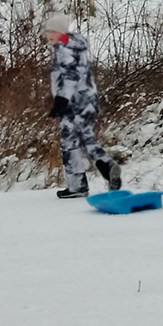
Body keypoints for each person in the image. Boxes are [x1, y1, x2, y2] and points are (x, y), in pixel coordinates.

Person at [45, 13, 122, 199]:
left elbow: (70, 76)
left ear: (62, 32)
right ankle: (107, 166)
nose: (49, 35)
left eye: (53, 31)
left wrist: (62, 100)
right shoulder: (75, 45)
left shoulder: (64, 48)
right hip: (87, 101)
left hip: (74, 103)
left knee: (69, 143)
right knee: (85, 140)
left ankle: (77, 186)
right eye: (47, 31)